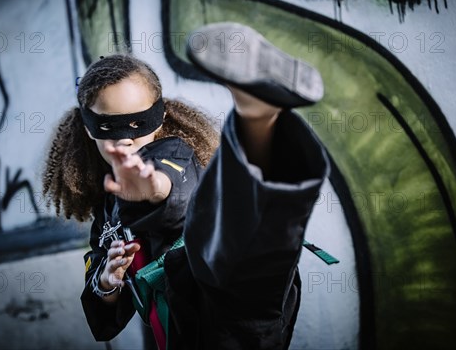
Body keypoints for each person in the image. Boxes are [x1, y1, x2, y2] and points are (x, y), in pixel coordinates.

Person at [43, 22, 329, 350]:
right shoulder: (105, 216)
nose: (125, 139)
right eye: (108, 126)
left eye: (138, 124)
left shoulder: (173, 153)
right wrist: (107, 283)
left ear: (160, 118)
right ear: (88, 128)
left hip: (223, 295)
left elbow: (173, 187)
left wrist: (152, 189)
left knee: (244, 239)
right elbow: (103, 316)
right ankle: (257, 114)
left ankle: (257, 114)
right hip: (181, 332)